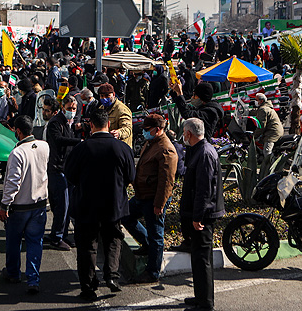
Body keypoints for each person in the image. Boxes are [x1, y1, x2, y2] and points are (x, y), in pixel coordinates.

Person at [65, 108, 135, 301]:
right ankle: (112, 276)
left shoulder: (81, 149)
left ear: (91, 126)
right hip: (114, 204)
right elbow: (131, 176)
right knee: (113, 240)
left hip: (86, 204)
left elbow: (70, 175)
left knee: (87, 245)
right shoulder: (122, 148)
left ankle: (88, 286)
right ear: (109, 125)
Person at [121, 113, 177, 284]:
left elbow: (167, 181)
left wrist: (159, 204)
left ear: (158, 130)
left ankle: (152, 272)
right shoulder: (151, 142)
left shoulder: (166, 149)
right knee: (126, 216)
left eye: (147, 130)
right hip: (142, 194)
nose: (144, 132)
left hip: (153, 198)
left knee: (156, 234)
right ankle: (146, 245)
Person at [0, 115, 49, 294]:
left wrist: (5, 205)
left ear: (18, 131)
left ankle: (13, 273)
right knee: (35, 242)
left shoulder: (17, 153)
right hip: (39, 203)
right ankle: (33, 279)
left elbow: (13, 182)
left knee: (13, 241)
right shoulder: (44, 146)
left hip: (19, 207)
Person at [180, 118, 225, 311]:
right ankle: (200, 297)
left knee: (203, 259)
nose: (183, 135)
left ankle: (206, 303)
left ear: (189, 133)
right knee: (198, 258)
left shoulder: (205, 153)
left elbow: (204, 190)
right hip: (200, 213)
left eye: (184, 132)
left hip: (204, 216)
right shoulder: (200, 150)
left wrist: (197, 217)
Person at [43, 96, 80, 250]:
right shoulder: (55, 123)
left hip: (68, 169)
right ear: (63, 107)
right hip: (57, 169)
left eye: (74, 109)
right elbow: (59, 140)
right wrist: (79, 142)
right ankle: (57, 237)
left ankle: (62, 235)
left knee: (68, 205)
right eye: (69, 108)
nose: (71, 111)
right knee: (61, 206)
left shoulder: (69, 124)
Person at [95, 82, 133, 147]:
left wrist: (118, 133)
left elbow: (127, 128)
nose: (104, 98)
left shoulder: (122, 109)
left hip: (120, 147)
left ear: (113, 94)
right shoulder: (101, 108)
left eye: (107, 96)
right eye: (102, 96)